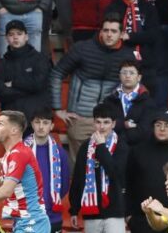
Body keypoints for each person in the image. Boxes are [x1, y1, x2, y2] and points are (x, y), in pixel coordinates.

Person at [51, 12, 137, 160]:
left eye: (114, 31)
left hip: (108, 121)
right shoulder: (82, 48)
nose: (109, 35)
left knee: (105, 171)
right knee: (80, 169)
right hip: (79, 118)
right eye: (106, 30)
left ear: (122, 34)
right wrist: (57, 108)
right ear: (100, 31)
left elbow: (134, 86)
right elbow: (57, 73)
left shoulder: (128, 55)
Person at [69, 103, 129, 233]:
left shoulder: (121, 146)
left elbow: (116, 174)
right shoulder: (86, 146)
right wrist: (74, 209)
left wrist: (102, 147)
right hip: (91, 211)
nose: (101, 127)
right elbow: (77, 179)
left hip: (114, 210)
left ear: (113, 124)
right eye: (98, 122)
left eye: (106, 122)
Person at [23, 108, 71, 233]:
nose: (41, 127)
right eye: (37, 122)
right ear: (32, 125)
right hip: (29, 219)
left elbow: (65, 183)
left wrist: (50, 202)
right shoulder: (22, 150)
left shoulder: (59, 152)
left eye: (45, 123)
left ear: (52, 126)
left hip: (52, 218)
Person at [105, 0, 161, 92]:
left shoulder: (148, 8)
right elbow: (110, 35)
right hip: (119, 63)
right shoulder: (112, 8)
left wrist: (130, 36)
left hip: (146, 64)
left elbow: (153, 35)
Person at [0, 19, 52, 130]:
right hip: (11, 123)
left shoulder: (40, 59)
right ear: (6, 38)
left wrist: (14, 83)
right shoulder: (0, 65)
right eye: (11, 34)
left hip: (36, 122)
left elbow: (38, 84)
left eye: (19, 34)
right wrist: (29, 89)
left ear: (26, 36)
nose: (15, 37)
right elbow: (1, 93)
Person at [101, 60, 157, 147]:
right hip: (112, 148)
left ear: (139, 77)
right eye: (124, 72)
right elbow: (104, 125)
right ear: (119, 76)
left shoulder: (148, 102)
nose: (127, 76)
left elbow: (144, 131)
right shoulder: (109, 100)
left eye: (131, 73)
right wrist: (125, 124)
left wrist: (118, 130)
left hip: (138, 150)